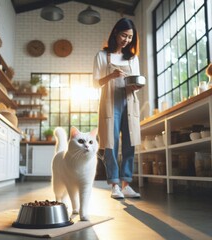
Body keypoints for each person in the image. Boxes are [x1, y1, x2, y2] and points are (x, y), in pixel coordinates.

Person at [93, 18, 142, 199]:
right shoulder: (101, 56)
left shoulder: (132, 58)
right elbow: (95, 83)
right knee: (110, 144)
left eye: (130, 37)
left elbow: (135, 79)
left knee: (130, 143)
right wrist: (112, 76)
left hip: (129, 101)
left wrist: (135, 86)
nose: (126, 40)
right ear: (115, 33)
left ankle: (126, 183)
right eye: (124, 35)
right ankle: (114, 184)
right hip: (110, 103)